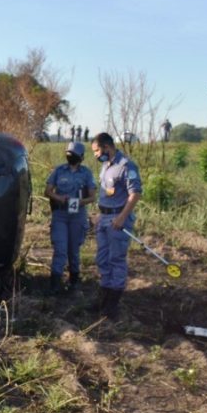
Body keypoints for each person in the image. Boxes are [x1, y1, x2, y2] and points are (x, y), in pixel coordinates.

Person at [90, 132, 141, 319]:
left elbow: (134, 194)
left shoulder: (126, 166)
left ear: (107, 147)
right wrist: (99, 214)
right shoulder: (106, 166)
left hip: (117, 220)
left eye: (97, 150)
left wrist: (121, 217)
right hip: (104, 219)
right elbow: (106, 193)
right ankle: (103, 298)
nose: (95, 155)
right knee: (102, 259)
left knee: (116, 260)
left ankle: (112, 305)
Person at [44, 142, 96, 294]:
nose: (70, 156)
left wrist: (81, 202)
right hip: (60, 214)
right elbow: (48, 191)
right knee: (60, 249)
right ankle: (55, 284)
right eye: (68, 153)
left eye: (73, 154)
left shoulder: (86, 173)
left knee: (73, 250)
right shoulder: (59, 170)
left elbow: (92, 197)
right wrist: (58, 197)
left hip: (77, 216)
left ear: (81, 157)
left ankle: (74, 282)